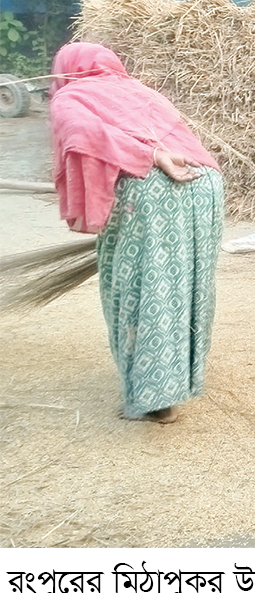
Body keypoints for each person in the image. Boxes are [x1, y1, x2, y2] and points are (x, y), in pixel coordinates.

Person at [48, 42, 224, 424]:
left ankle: (157, 399)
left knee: (140, 289)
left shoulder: (71, 96)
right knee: (184, 289)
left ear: (65, 70)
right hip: (204, 184)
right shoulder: (142, 91)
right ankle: (179, 380)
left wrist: (151, 156)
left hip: (150, 189)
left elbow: (80, 133)